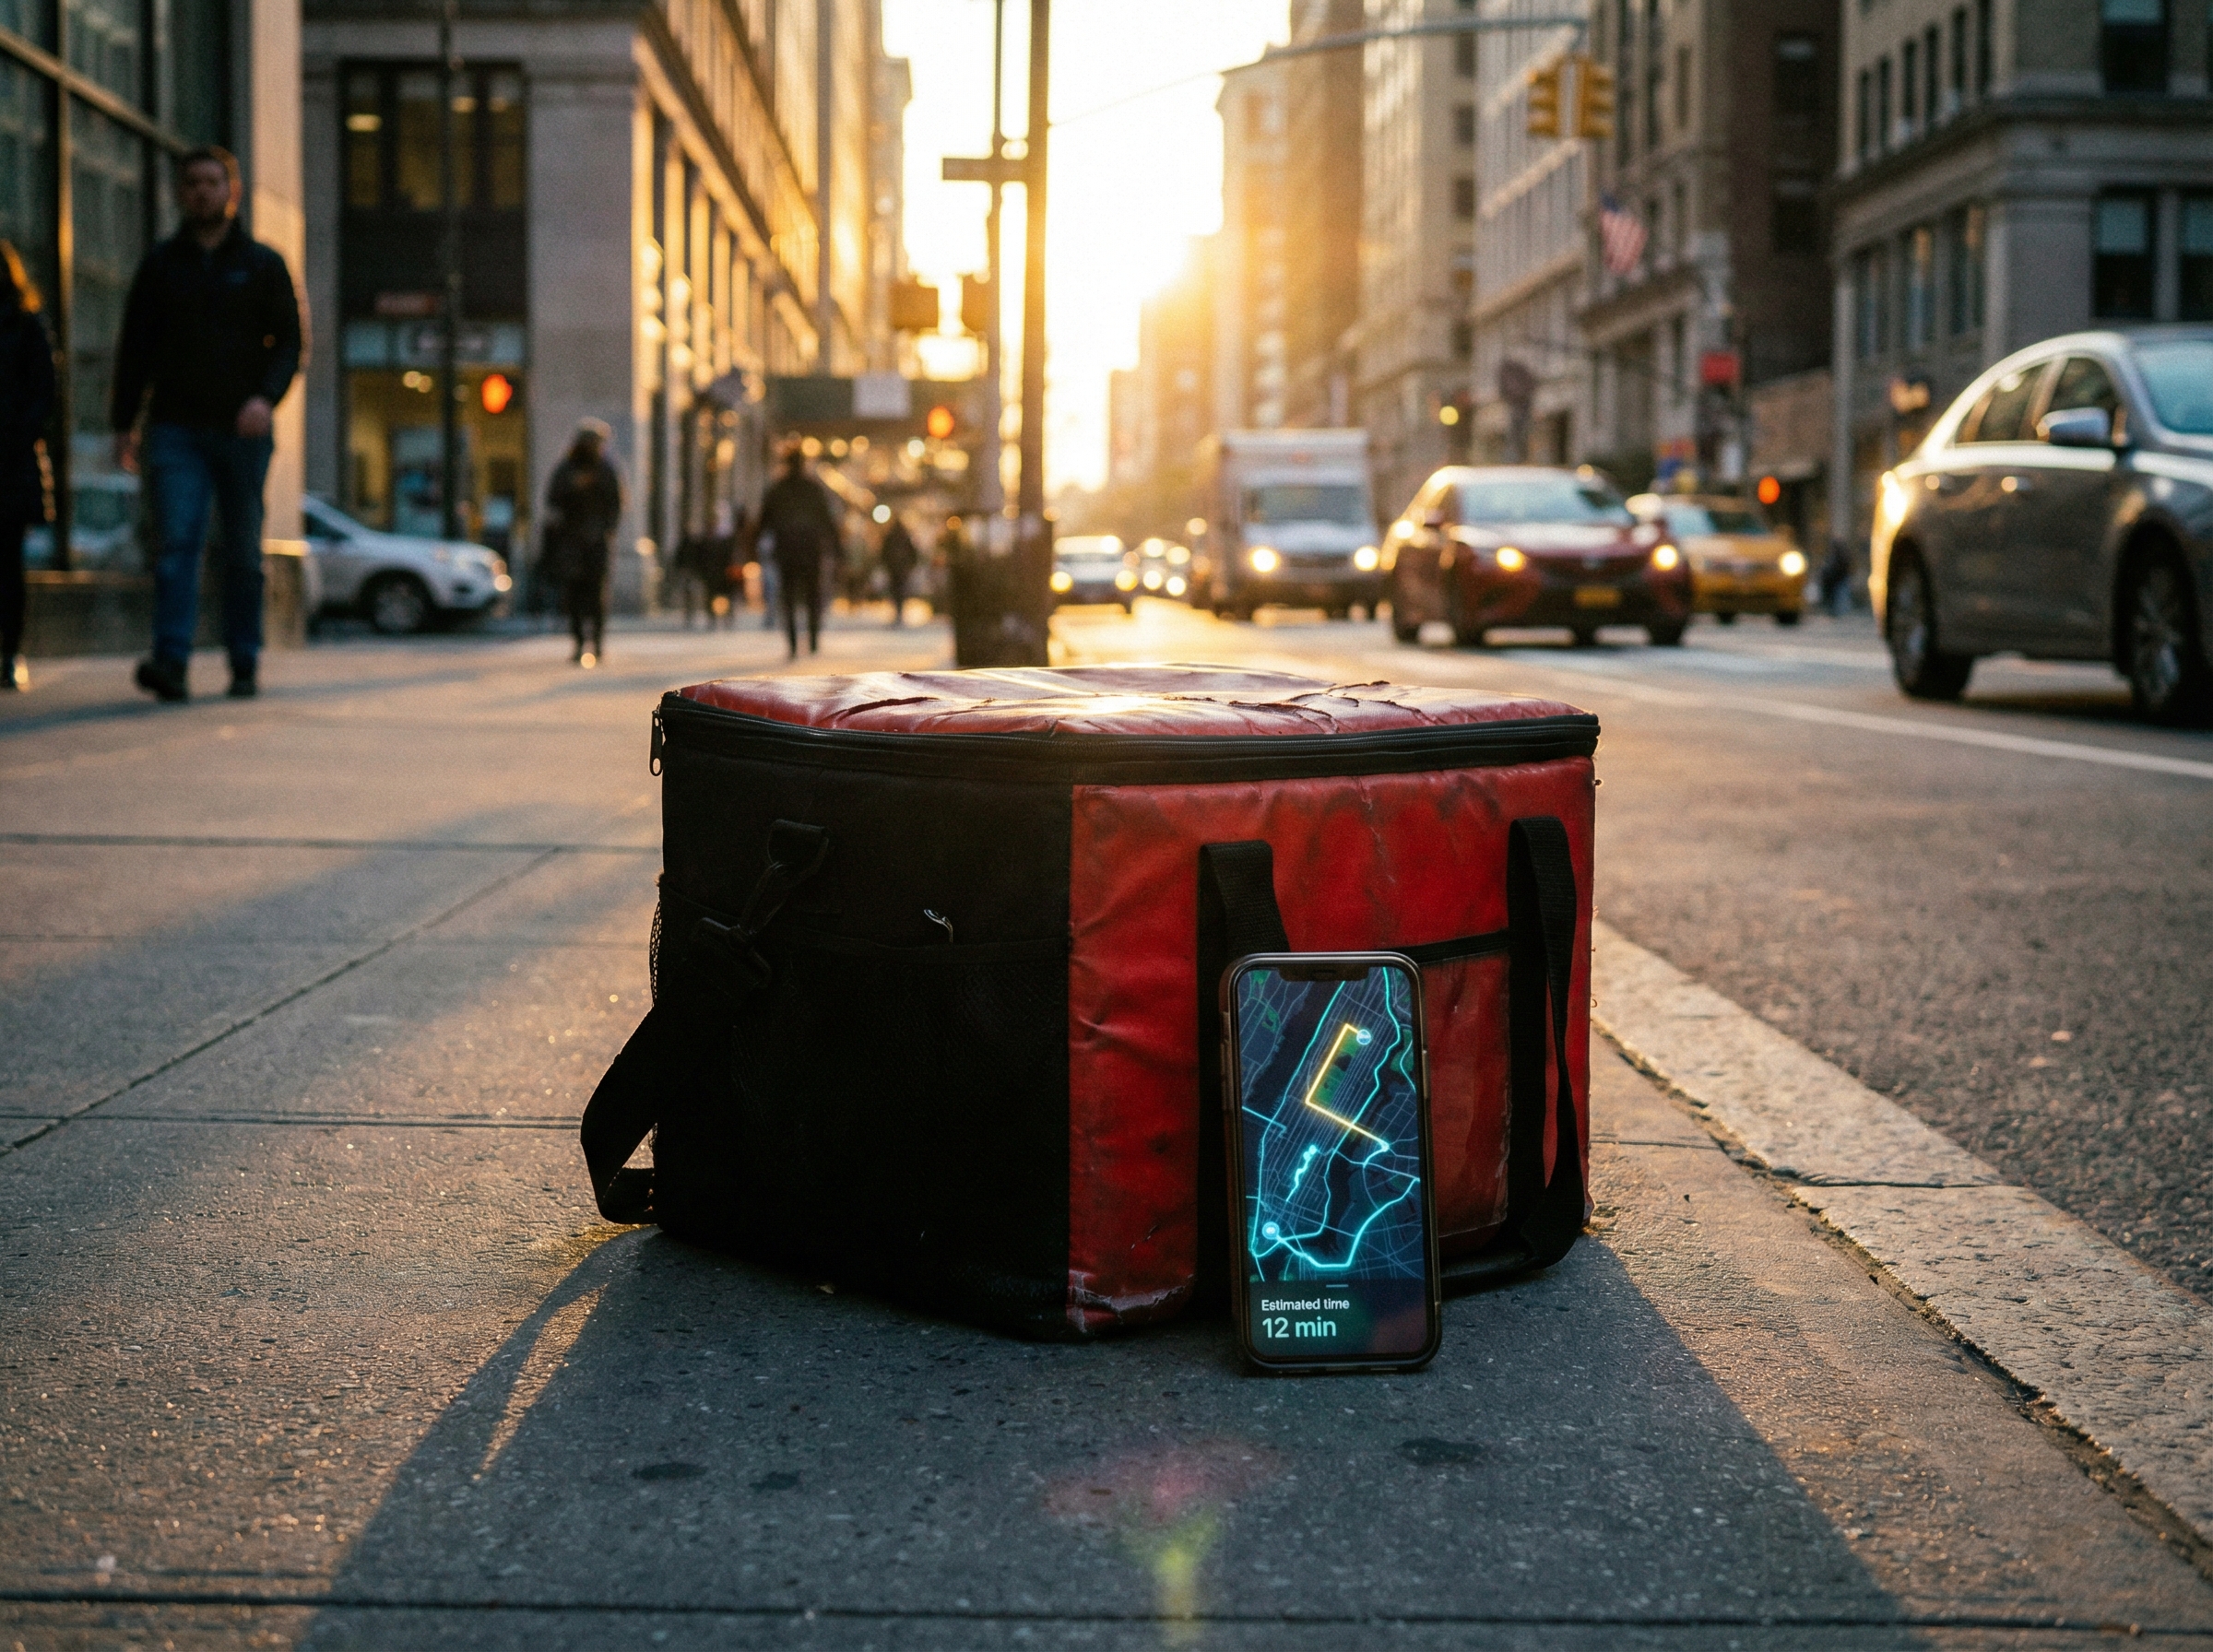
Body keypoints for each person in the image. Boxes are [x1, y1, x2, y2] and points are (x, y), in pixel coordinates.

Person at [112, 146, 303, 702]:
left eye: (212, 182)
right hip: (175, 428)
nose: (201, 192)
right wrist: (125, 423)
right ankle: (171, 660)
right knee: (178, 543)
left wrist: (265, 399)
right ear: (180, 192)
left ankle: (244, 659)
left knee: (243, 550)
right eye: (191, 183)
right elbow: (135, 350)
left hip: (242, 431)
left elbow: (290, 343)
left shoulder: (263, 264)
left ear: (232, 191)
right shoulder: (161, 266)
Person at [0, 242, 55, 693]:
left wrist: (16, 436)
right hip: (13, 458)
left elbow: (44, 395)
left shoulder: (24, 326)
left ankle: (9, 651)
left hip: (10, 461)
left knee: (7, 563)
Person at [541, 419, 623, 667]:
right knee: (574, 594)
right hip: (572, 542)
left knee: (597, 595)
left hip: (596, 541)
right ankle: (579, 644)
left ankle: (597, 644)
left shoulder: (606, 469)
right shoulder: (567, 469)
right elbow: (553, 500)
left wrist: (607, 530)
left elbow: (616, 504)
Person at [756, 446, 836, 659]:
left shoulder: (777, 489)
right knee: (812, 597)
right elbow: (827, 522)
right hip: (811, 550)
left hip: (787, 551)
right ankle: (812, 641)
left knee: (789, 598)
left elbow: (764, 522)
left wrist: (756, 546)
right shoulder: (813, 489)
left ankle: (793, 644)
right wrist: (835, 549)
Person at [880, 513, 918, 627]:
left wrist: (885, 565)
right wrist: (910, 565)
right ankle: (899, 612)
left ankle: (898, 612)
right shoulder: (904, 537)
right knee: (901, 591)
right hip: (902, 570)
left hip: (893, 569)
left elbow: (884, 553)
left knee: (895, 591)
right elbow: (913, 553)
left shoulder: (890, 536)